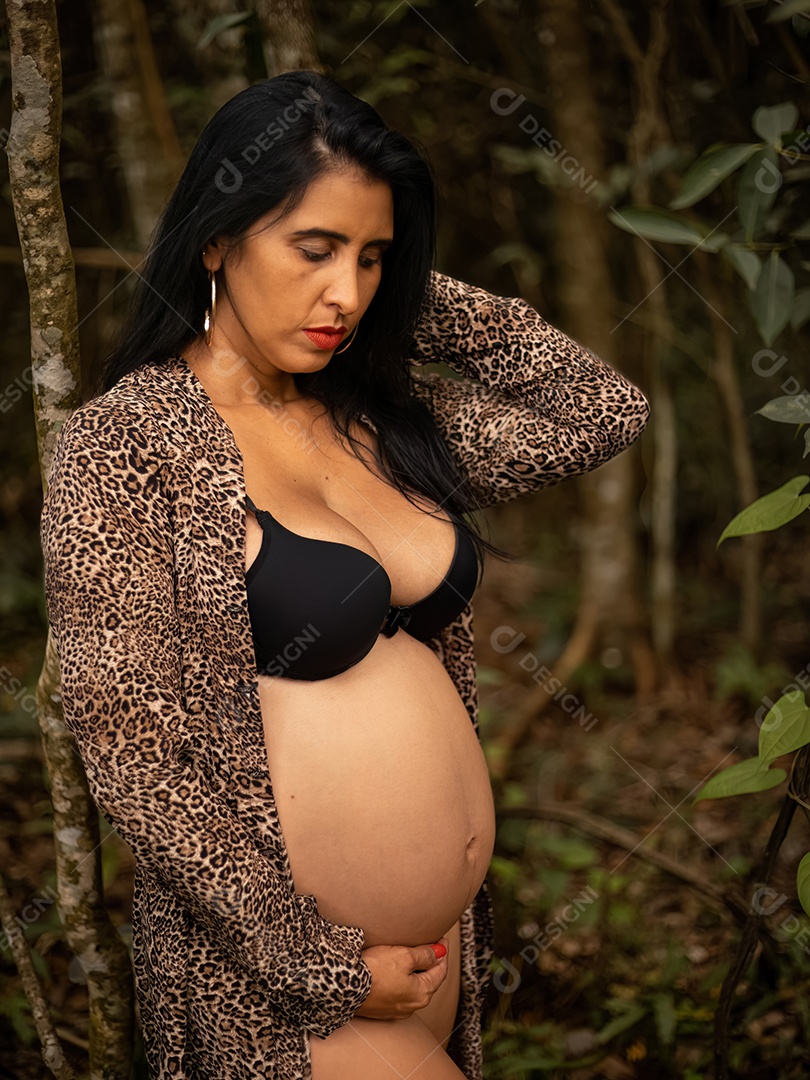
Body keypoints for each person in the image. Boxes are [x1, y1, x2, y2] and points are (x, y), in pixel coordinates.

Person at [40, 70, 650, 1080]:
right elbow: (135, 758)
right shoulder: (123, 446)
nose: (347, 295)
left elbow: (599, 408)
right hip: (284, 996)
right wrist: (322, 969)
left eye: (373, 259)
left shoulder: (381, 419)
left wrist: (406, 282)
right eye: (314, 249)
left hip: (440, 962)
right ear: (216, 238)